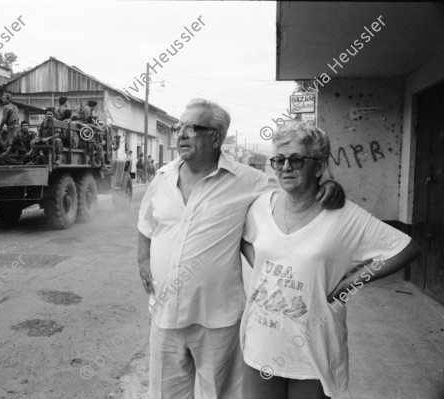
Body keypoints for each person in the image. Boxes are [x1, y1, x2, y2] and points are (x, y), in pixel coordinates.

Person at [137, 98, 344, 399]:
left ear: (216, 137)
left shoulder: (248, 181)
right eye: (178, 127)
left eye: (191, 128)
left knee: (220, 394)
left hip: (218, 319)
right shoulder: (162, 177)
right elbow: (145, 226)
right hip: (165, 315)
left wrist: (327, 181)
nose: (180, 133)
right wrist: (144, 262)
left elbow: (295, 184)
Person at [239, 122, 420, 399]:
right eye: (278, 160)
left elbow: (405, 249)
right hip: (261, 343)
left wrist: (350, 283)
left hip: (313, 350)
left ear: (320, 166)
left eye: (296, 159)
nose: (285, 167)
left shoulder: (345, 216)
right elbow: (242, 238)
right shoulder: (260, 206)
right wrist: (263, 270)